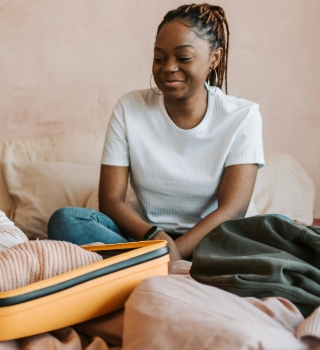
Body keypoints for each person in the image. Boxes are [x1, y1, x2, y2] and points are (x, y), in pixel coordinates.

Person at [47, 3, 264, 261]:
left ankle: (138, 266)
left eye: (183, 58)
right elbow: (111, 199)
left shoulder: (243, 116)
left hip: (213, 238)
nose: (168, 68)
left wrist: (173, 254)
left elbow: (233, 208)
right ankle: (156, 263)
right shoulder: (129, 108)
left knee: (280, 229)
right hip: (144, 236)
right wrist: (155, 238)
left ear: (214, 58)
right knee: (66, 221)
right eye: (159, 58)